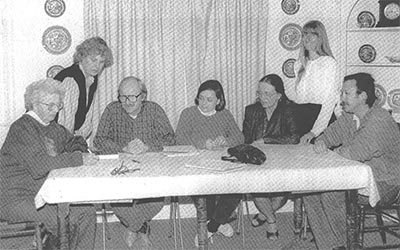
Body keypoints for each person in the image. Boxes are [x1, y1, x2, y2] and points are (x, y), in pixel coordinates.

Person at [304, 72, 400, 250]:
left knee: (331, 194)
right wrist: (322, 142)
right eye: (342, 93)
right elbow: (329, 135)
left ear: (362, 96)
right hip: (356, 175)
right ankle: (331, 245)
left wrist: (336, 150)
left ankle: (348, 244)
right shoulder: (349, 116)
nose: (342, 99)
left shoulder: (379, 119)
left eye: (346, 93)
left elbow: (355, 153)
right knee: (309, 191)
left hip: (384, 182)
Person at [0, 79, 99, 249]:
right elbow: (39, 166)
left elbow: (75, 140)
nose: (55, 110)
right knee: (62, 220)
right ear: (34, 104)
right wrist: (78, 158)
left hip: (44, 193)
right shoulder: (22, 128)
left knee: (87, 211)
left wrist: (78, 149)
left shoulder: (52, 127)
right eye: (50, 105)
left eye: (58, 105)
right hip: (16, 198)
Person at [93, 76, 175, 248]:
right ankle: (142, 227)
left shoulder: (154, 109)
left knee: (157, 194)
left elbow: (170, 139)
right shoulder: (111, 110)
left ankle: (133, 226)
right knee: (115, 194)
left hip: (150, 165)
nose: (127, 101)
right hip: (120, 167)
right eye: (123, 97)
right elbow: (98, 141)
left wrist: (148, 146)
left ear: (143, 96)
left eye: (132, 97)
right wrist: (123, 147)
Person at [175, 80, 244, 244]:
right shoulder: (188, 113)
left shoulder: (224, 114)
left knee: (238, 185)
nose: (204, 103)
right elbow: (180, 139)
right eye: (201, 98)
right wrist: (202, 143)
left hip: (221, 164)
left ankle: (212, 225)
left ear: (219, 101)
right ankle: (219, 221)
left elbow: (240, 138)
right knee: (206, 189)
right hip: (196, 166)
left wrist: (225, 141)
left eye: (209, 100)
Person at [242, 74, 300, 240]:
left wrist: (266, 139)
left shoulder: (288, 110)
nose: (262, 97)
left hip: (281, 161)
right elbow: (246, 139)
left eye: (267, 93)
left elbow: (294, 137)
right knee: (257, 188)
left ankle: (264, 214)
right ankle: (271, 220)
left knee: (283, 192)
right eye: (260, 93)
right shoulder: (251, 110)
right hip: (256, 161)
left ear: (279, 96)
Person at [291, 20, 340, 144]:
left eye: (313, 34)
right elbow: (299, 100)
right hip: (301, 120)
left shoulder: (328, 63)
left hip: (322, 122)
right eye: (305, 34)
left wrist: (315, 131)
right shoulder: (298, 64)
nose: (307, 38)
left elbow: (329, 100)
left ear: (320, 38)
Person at [54, 36, 113, 140]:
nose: (97, 66)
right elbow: (65, 122)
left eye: (101, 62)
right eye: (93, 60)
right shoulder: (71, 80)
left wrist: (79, 140)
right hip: (52, 137)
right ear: (82, 57)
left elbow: (87, 118)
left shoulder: (91, 78)